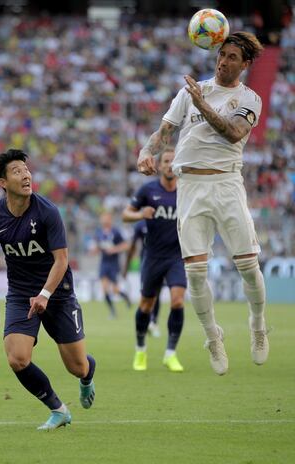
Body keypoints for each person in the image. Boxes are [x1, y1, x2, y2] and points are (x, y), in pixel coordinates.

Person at [137, 32, 268, 376]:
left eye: (232, 57)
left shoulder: (249, 98)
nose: (223, 61)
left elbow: (233, 132)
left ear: (245, 64)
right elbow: (165, 130)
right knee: (195, 275)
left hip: (226, 183)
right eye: (221, 54)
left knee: (248, 267)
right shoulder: (191, 92)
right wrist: (147, 150)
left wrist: (202, 105)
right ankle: (213, 337)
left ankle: (257, 325)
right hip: (191, 186)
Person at [0, 149, 96, 430]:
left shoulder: (48, 211)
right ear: (2, 182)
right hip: (21, 294)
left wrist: (45, 295)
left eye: (27, 170)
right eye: (17, 171)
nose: (26, 175)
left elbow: (62, 260)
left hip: (57, 293)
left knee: (77, 367)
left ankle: (88, 375)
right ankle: (59, 410)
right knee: (17, 359)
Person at [123, 148, 186, 372]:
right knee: (146, 305)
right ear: (159, 166)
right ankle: (140, 350)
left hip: (177, 256)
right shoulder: (148, 190)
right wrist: (141, 214)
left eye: (173, 161)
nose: (170, 165)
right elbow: (125, 214)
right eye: (166, 161)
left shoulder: (187, 191)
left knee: (177, 301)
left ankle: (171, 354)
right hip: (153, 257)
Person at [122, 219, 162, 338]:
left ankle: (153, 322)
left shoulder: (162, 220)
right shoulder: (140, 225)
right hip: (146, 263)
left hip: (161, 261)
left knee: (157, 293)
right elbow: (132, 246)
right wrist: (126, 267)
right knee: (146, 294)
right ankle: (146, 322)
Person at [92, 211, 131, 318]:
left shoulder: (116, 231)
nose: (103, 220)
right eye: (102, 218)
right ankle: (112, 311)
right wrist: (94, 250)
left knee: (115, 289)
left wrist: (114, 249)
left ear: (110, 219)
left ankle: (125, 296)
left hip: (113, 263)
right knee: (104, 289)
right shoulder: (99, 232)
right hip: (104, 263)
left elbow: (126, 245)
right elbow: (97, 246)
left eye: (106, 218)